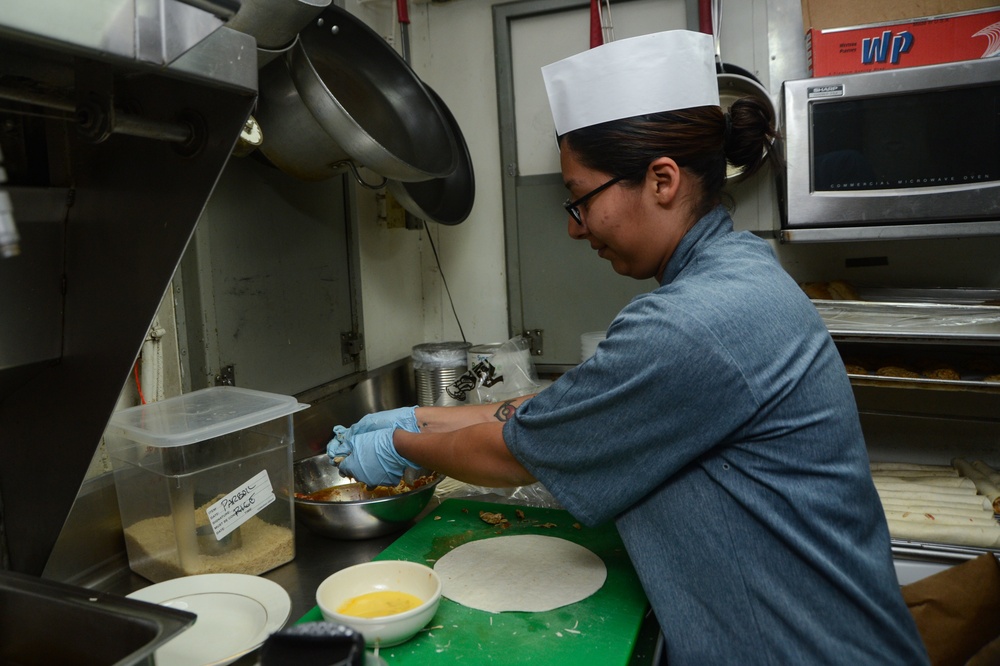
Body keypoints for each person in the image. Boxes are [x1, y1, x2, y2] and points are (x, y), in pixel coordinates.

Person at [328, 30, 929, 665]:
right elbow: (559, 411)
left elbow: (514, 452)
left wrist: (396, 447)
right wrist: (418, 417)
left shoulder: (694, 322)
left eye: (580, 198)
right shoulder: (739, 271)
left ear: (662, 179)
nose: (571, 225)